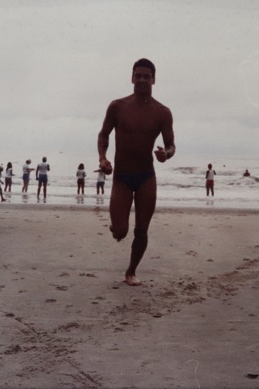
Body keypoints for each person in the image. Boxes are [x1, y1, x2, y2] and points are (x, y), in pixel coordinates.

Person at [97, 58, 176, 286]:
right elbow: (104, 134)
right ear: (132, 78)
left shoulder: (162, 112)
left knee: (142, 230)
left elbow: (171, 145)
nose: (142, 79)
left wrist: (166, 154)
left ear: (153, 80)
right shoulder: (118, 106)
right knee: (121, 231)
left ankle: (131, 271)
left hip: (146, 177)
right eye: (138, 75)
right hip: (121, 177)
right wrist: (103, 158)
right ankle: (116, 226)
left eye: (147, 76)